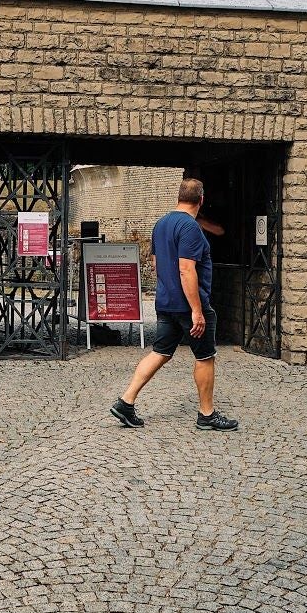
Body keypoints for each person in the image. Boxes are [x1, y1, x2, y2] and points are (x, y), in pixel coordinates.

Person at [110, 178, 239, 431]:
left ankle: (126, 401)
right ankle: (207, 414)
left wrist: (168, 291)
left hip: (166, 302)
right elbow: (186, 269)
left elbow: (157, 265)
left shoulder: (161, 224)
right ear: (201, 200)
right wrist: (197, 311)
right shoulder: (190, 228)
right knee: (205, 357)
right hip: (188, 305)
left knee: (160, 352)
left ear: (178, 197)